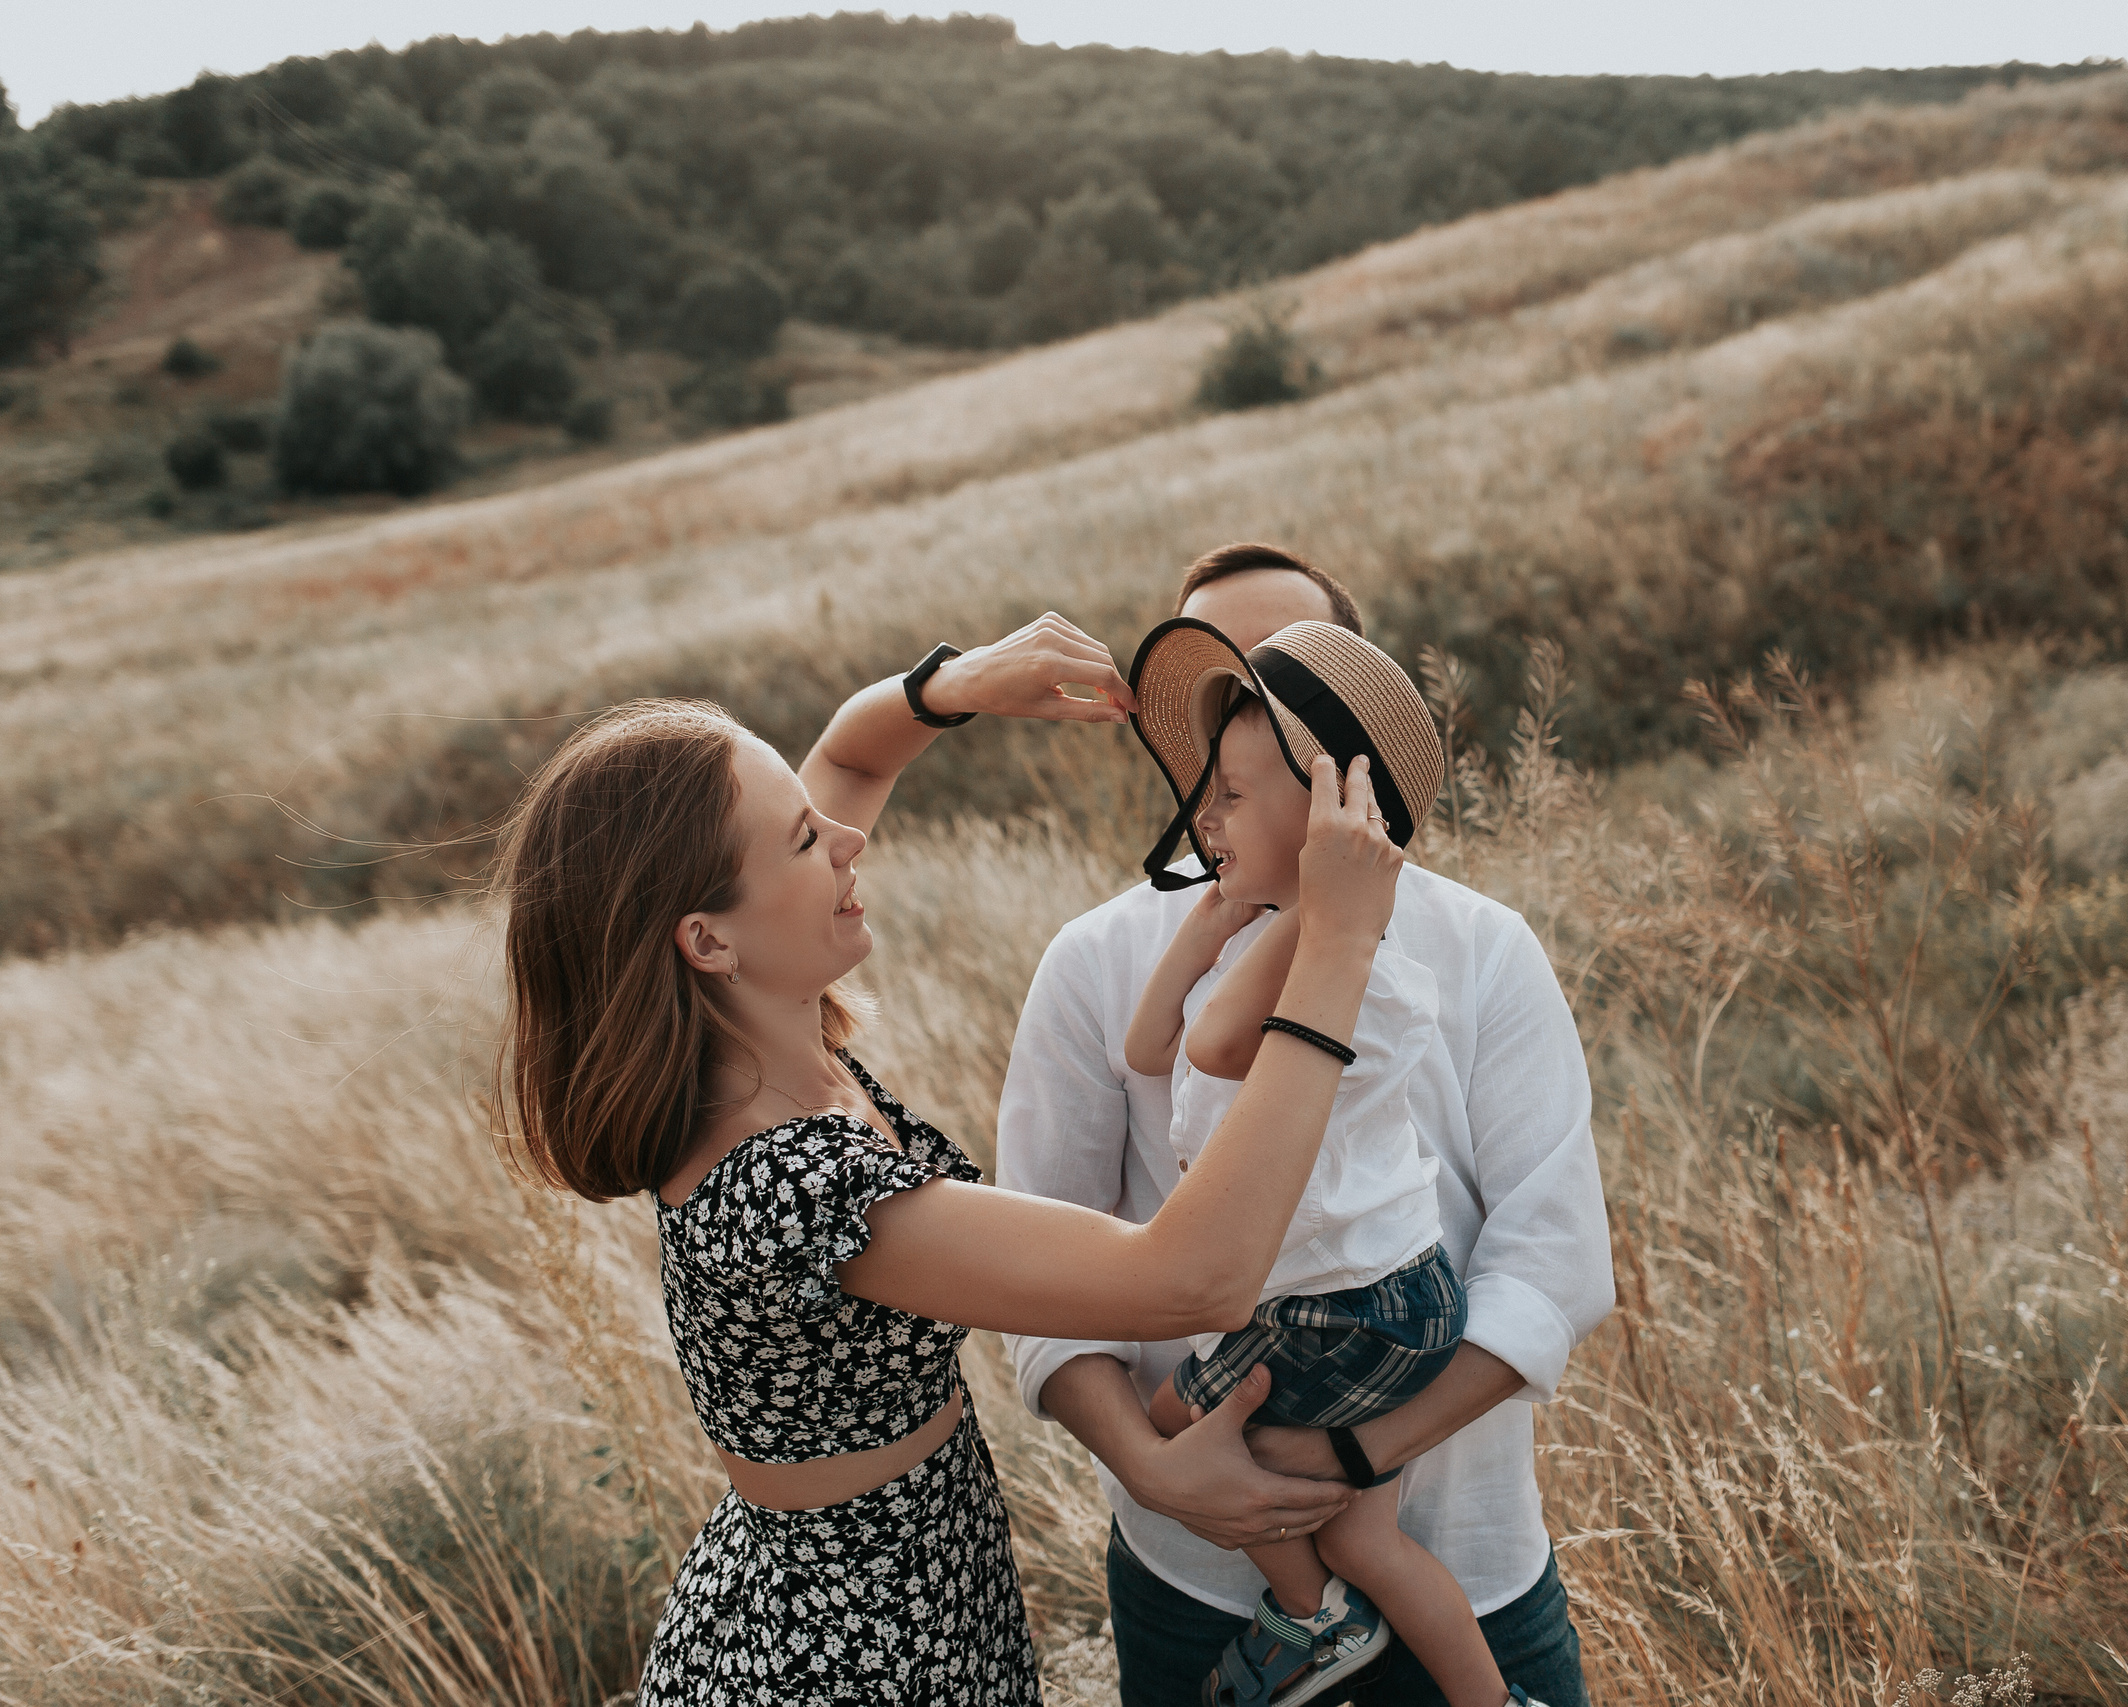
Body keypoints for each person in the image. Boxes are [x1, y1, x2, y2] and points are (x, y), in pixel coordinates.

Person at [493, 611, 1406, 1705]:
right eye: (802, 840)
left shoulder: (748, 1037)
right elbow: (1193, 1276)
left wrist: (959, 685)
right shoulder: (791, 1184)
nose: (847, 838)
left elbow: (851, 750)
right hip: (845, 1657)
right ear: (707, 940)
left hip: (881, 1594)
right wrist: (1336, 948)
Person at [999, 548, 1613, 1707]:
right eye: (1223, 703)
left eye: (1286, 697)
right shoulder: (1097, 958)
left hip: (1470, 1568)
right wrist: (1160, 1470)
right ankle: (1302, 1612)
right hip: (1198, 1587)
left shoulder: (1481, 948)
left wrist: (1349, 1457)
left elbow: (1554, 1262)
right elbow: (1041, 1274)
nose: (1241, 722)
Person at [1118, 614, 1538, 1707]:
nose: (1201, 817)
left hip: (1355, 1308)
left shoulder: (1333, 948)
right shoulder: (1287, 935)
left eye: (1232, 798)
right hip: (1370, 1295)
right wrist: (1208, 926)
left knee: (1173, 1424)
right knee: (1366, 1536)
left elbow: (1206, 1048)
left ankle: (1312, 1622)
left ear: (1326, 821)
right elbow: (1147, 1049)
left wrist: (1246, 926)